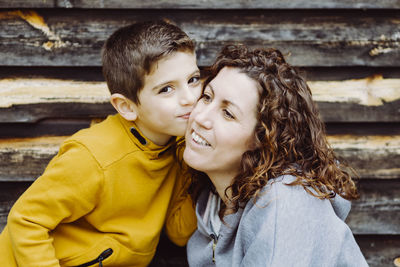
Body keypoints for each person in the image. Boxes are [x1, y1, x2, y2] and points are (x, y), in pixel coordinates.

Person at [0, 20, 200, 266]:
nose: (190, 98)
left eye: (193, 79)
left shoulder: (177, 146)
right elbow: (26, 220)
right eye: (166, 89)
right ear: (127, 107)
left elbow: (179, 231)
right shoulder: (93, 157)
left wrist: (199, 167)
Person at [183, 44, 369, 266]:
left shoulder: (285, 201)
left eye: (228, 113)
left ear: (263, 139)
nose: (200, 117)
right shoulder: (211, 207)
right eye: (206, 97)